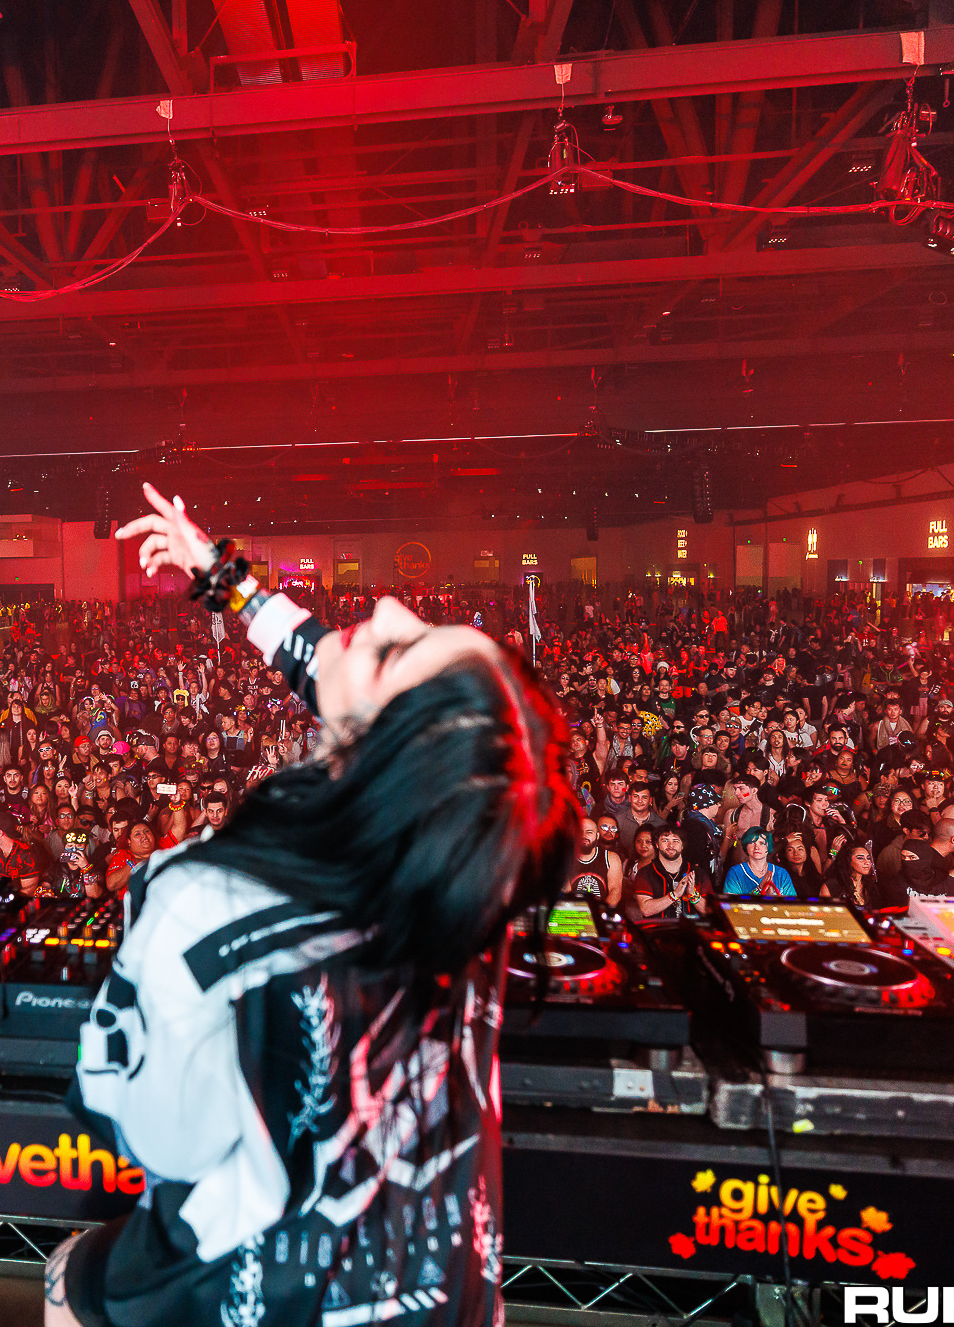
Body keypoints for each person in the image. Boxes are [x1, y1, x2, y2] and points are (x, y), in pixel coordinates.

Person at [44, 485, 572, 1327]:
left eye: (398, 648)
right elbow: (328, 669)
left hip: (250, 1296)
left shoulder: (202, 901)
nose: (390, 607)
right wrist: (223, 578)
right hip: (443, 1289)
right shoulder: (475, 875)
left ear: (383, 754)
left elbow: (156, 1139)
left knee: (67, 1279)